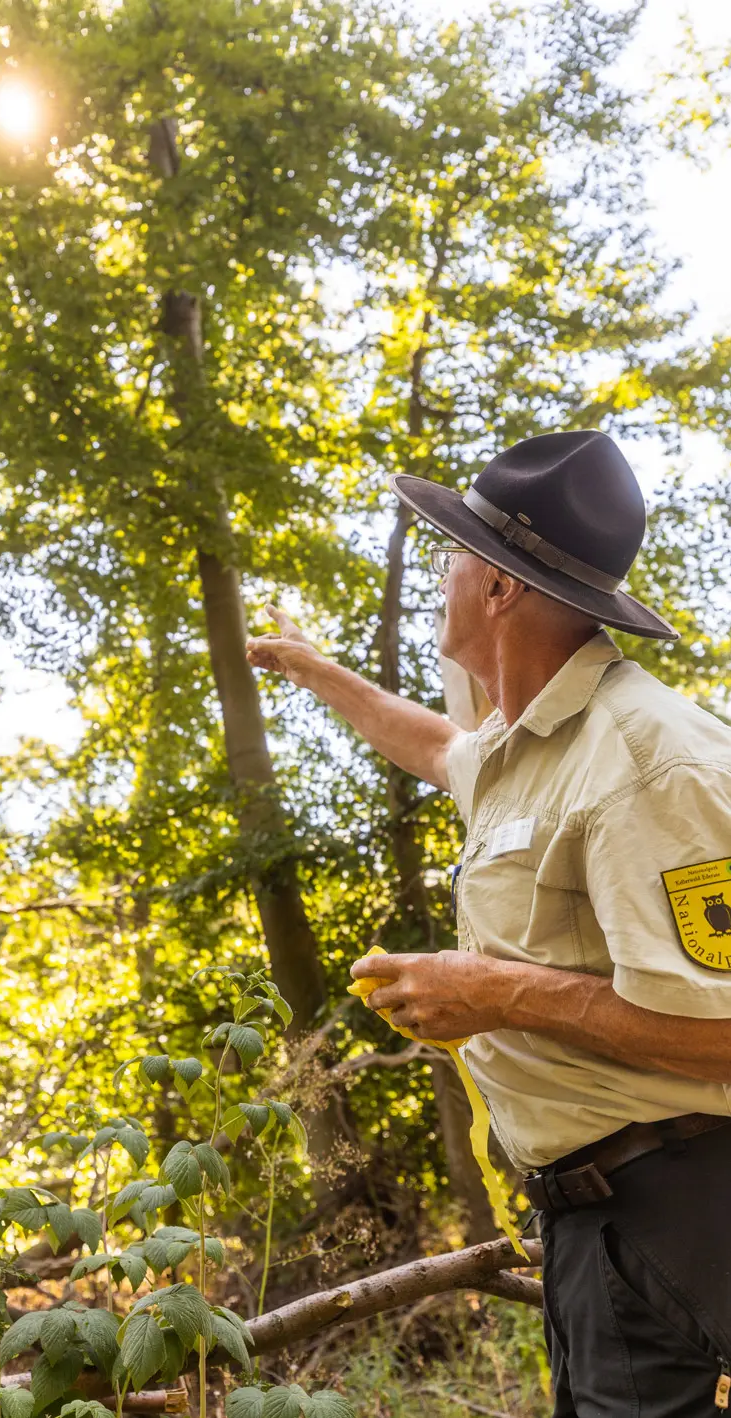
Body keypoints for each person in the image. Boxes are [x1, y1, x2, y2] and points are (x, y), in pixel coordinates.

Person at [245, 429, 731, 1418]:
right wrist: (311, 670)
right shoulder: (528, 746)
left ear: (500, 586)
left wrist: (496, 991)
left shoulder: (649, 761)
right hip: (599, 1221)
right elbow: (436, 745)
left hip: (681, 1208)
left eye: (453, 552)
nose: (442, 572)